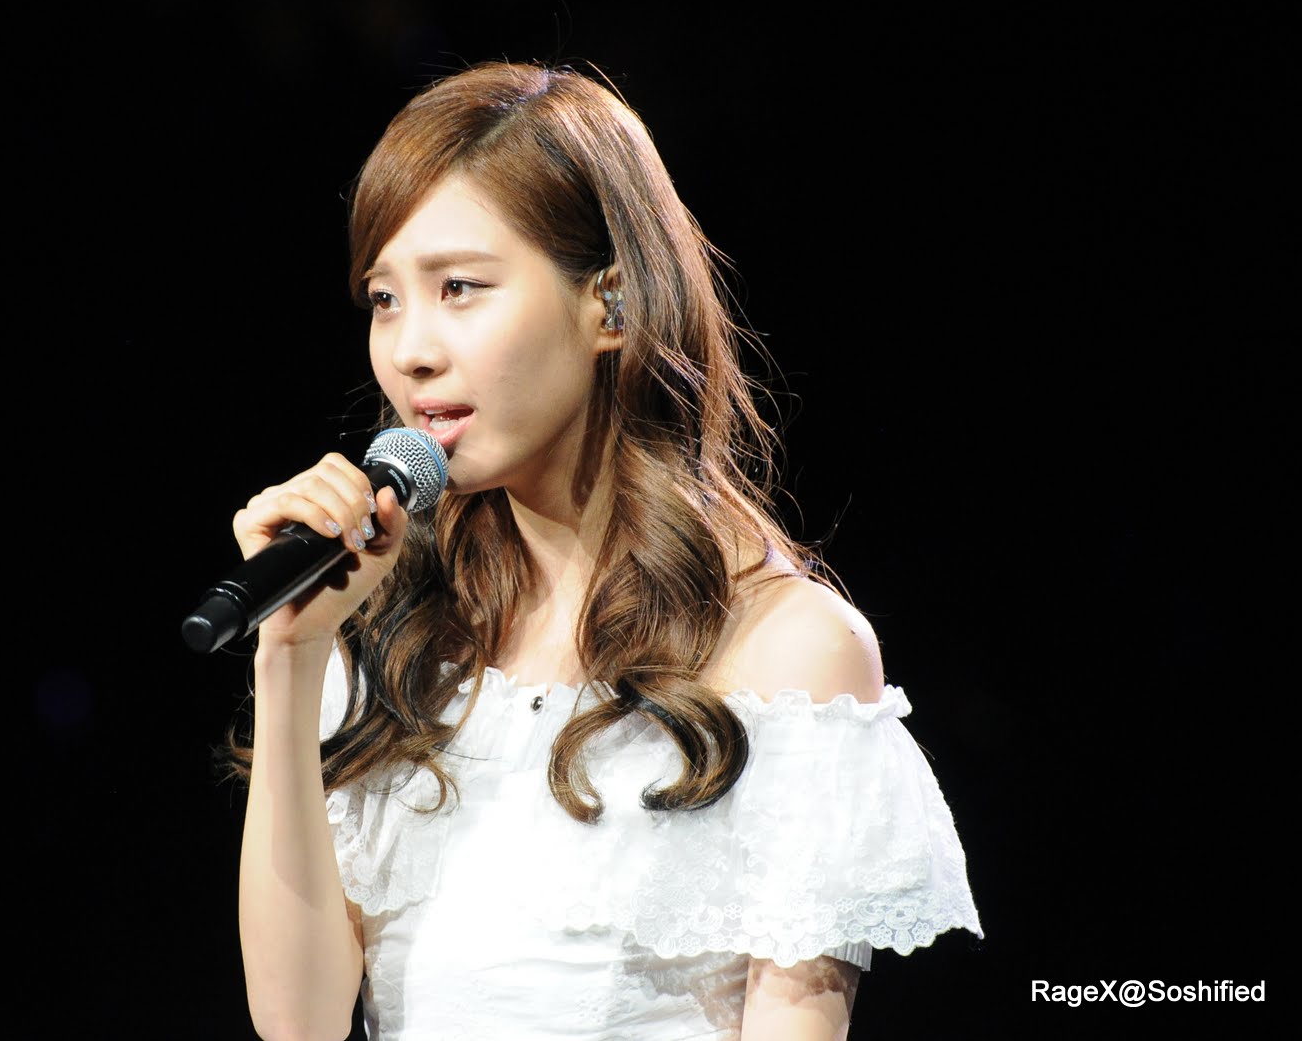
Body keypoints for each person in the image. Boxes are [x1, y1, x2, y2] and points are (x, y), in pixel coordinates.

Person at [225, 61, 981, 1041]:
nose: (410, 349)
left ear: (610, 306)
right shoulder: (394, 630)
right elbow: (297, 1022)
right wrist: (290, 655)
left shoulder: (788, 651)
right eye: (384, 298)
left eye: (458, 288)